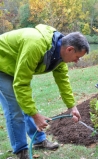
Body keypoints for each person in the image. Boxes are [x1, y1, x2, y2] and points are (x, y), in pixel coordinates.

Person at [0, 24, 89, 159]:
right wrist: (36, 115)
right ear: (70, 49)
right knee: (15, 108)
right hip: (2, 64)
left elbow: (63, 82)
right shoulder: (36, 45)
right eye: (77, 57)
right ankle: (21, 150)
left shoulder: (60, 56)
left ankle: (39, 140)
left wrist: (72, 107)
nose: (77, 61)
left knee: (25, 105)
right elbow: (21, 84)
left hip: (16, 65)